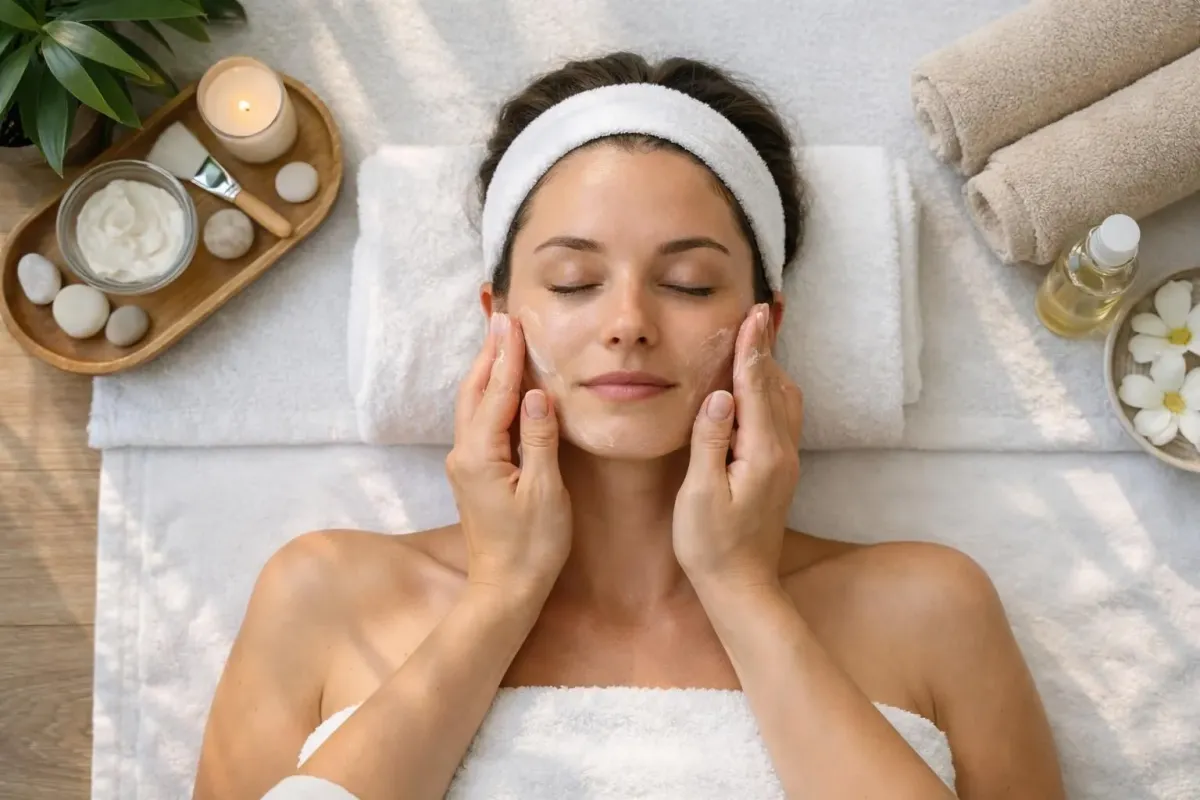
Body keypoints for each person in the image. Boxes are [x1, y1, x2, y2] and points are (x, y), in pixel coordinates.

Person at [193, 52, 1066, 800]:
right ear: (497, 315)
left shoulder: (930, 608)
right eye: (573, 281)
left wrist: (741, 590)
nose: (628, 322)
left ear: (768, 321)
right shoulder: (325, 595)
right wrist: (499, 595)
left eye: (688, 283)